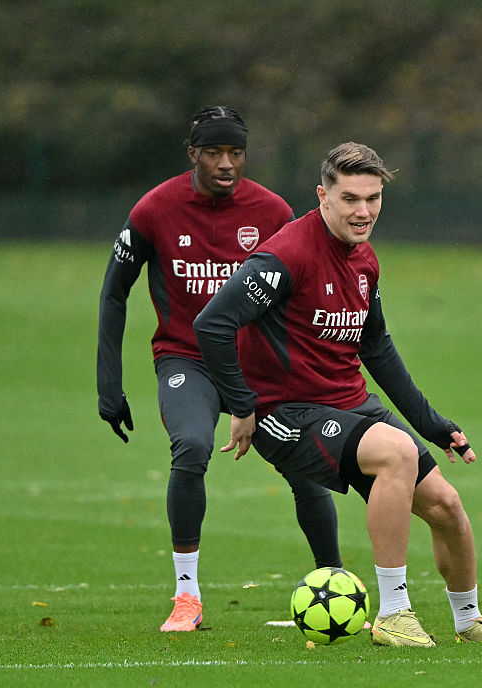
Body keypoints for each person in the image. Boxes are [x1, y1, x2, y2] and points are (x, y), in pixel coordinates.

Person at [192, 142, 482, 647]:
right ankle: (393, 613)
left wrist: (432, 424)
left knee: (447, 507)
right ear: (323, 196)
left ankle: (468, 621)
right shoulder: (286, 255)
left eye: (373, 198)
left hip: (349, 405)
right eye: (350, 198)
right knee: (396, 454)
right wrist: (241, 406)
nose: (363, 211)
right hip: (287, 414)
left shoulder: (364, 257)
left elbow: (377, 347)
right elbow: (212, 323)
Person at [97, 106, 342, 633]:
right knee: (191, 447)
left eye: (236, 152)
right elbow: (114, 291)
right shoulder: (154, 209)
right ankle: (187, 597)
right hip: (187, 360)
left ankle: (337, 585)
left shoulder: (273, 211)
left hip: (258, 366)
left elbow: (305, 284)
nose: (226, 163)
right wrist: (108, 385)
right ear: (193, 154)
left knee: (306, 469)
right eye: (214, 152)